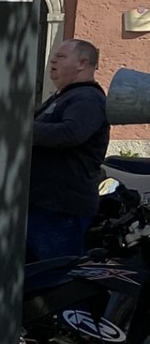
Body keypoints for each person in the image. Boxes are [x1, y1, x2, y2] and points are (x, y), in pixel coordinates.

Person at [28, 38, 109, 262]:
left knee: (56, 277)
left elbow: (71, 133)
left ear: (83, 63)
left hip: (60, 211)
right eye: (54, 56)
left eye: (61, 57)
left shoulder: (88, 98)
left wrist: (19, 129)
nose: (52, 60)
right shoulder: (64, 96)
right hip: (44, 206)